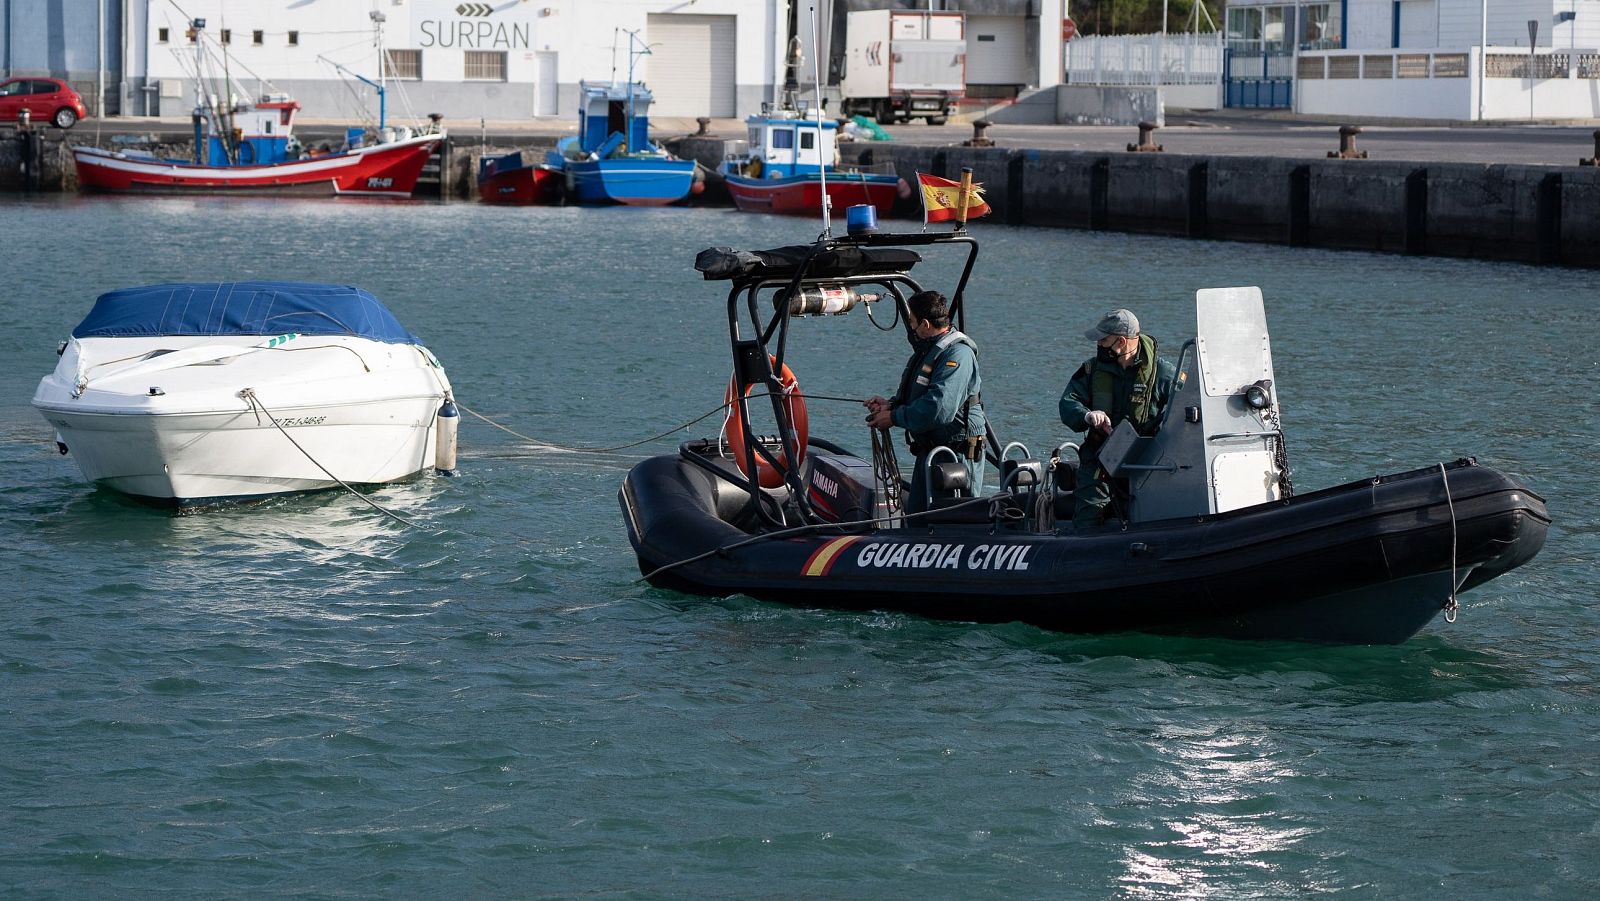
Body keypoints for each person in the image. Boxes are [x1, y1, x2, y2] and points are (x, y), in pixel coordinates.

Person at [865, 290, 986, 515]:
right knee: (918, 520)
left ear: (926, 324)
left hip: (954, 456)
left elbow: (939, 409)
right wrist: (891, 406)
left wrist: (893, 418)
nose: (912, 328)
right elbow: (920, 395)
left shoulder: (958, 355)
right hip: (930, 452)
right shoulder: (929, 351)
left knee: (951, 522)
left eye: (912, 322)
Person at [1059, 308, 1176, 532]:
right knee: (1089, 512)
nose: (1099, 344)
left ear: (1121, 342)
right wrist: (1087, 415)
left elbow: (1187, 406)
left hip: (1146, 459)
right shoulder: (1092, 370)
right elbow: (1068, 402)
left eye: (1104, 340)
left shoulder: (1163, 373)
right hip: (1100, 456)